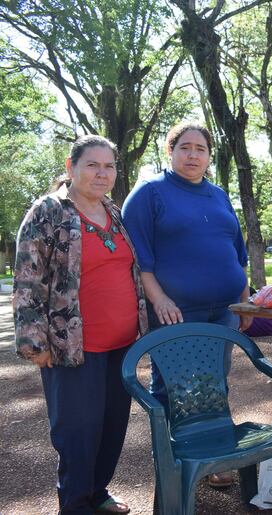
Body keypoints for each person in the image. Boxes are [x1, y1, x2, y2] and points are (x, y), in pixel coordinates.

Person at [13, 135, 148, 514]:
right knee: (77, 431)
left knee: (112, 425)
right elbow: (28, 276)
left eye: (109, 166)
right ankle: (74, 504)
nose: (102, 173)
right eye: (92, 165)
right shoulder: (48, 211)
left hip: (121, 344)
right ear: (72, 167)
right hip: (71, 345)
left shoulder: (115, 212)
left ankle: (98, 492)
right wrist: (31, 338)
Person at [121, 122, 251, 488]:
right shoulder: (149, 193)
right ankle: (171, 460)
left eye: (201, 149)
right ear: (170, 151)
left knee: (214, 383)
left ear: (210, 156)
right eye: (185, 147)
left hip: (224, 309)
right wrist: (159, 298)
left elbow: (235, 251)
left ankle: (213, 456)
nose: (193, 155)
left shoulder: (219, 195)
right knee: (171, 387)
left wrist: (243, 300)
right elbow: (138, 257)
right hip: (175, 310)